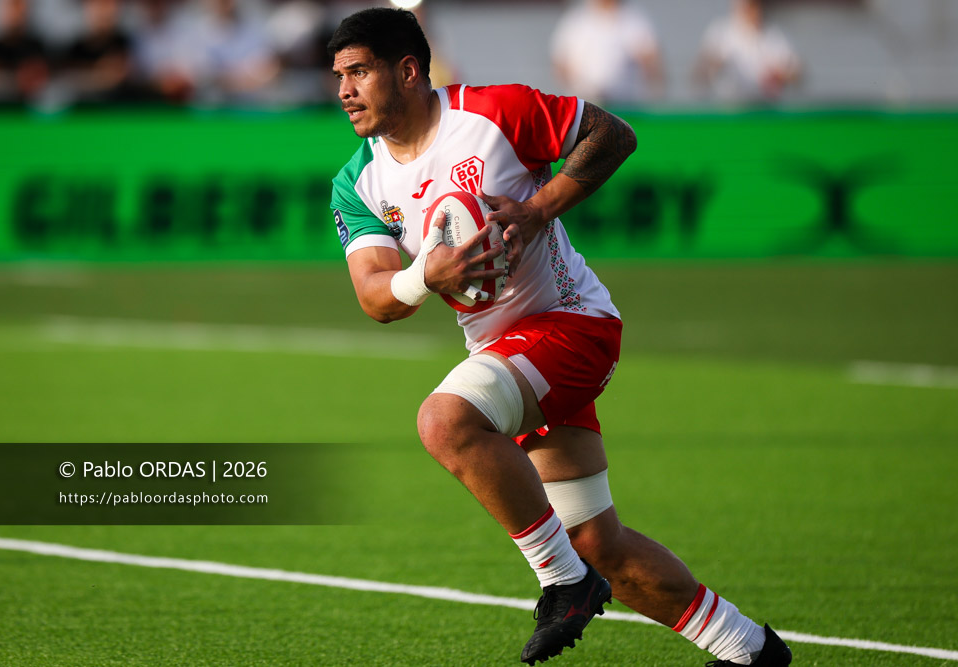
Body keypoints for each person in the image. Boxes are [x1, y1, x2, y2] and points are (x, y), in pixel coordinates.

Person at [328, 8, 793, 666]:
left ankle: (563, 581)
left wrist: (535, 208)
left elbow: (614, 135)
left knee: (444, 421)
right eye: (338, 75)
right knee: (598, 540)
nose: (343, 89)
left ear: (408, 71)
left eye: (359, 71)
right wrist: (425, 275)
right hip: (508, 359)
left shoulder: (496, 112)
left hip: (573, 328)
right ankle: (750, 649)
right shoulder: (359, 182)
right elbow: (377, 297)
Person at [550, 0, 664, 105]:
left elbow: (651, 62)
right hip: (584, 107)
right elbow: (560, 64)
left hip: (626, 104)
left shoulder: (634, 19)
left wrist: (655, 98)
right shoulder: (574, 20)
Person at [693, 0, 801, 103]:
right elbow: (697, 75)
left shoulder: (774, 36)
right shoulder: (720, 33)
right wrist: (713, 66)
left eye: (755, 5)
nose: (753, 11)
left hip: (767, 110)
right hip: (729, 110)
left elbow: (797, 73)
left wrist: (782, 75)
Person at [0, 0, 51, 108]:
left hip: (28, 109)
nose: (16, 13)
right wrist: (18, 79)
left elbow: (40, 78)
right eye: (12, 6)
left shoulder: (35, 45)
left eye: (20, 7)